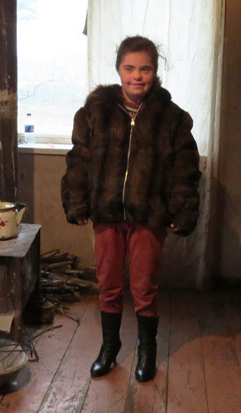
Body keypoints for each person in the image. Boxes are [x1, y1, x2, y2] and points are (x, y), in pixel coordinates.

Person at [61, 35, 201, 382]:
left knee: (144, 286)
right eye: (129, 68)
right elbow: (79, 159)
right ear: (118, 70)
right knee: (108, 283)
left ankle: (147, 351)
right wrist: (78, 201)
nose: (137, 76)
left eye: (145, 69)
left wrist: (182, 210)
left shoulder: (173, 118)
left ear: (155, 71)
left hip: (149, 215)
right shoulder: (94, 112)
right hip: (106, 213)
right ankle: (109, 349)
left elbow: (185, 168)